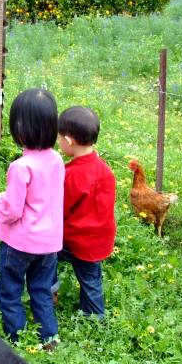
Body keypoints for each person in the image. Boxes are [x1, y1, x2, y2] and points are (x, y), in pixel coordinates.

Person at [0, 89, 64, 349]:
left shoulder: (21, 167)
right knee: (41, 290)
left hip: (19, 244)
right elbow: (43, 197)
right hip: (49, 244)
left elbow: (11, 211)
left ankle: (17, 337)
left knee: (10, 291)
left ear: (19, 130)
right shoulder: (57, 160)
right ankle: (49, 337)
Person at [52, 106, 116, 317]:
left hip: (75, 239)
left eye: (59, 138)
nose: (58, 142)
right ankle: (95, 316)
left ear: (69, 141)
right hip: (97, 241)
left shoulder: (71, 175)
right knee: (91, 280)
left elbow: (60, 209)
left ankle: (50, 290)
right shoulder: (105, 171)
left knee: (46, 253)